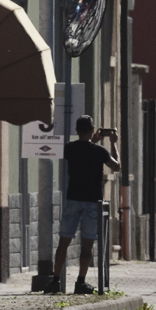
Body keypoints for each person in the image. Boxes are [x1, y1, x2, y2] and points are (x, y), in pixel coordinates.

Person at [43, 115, 121, 294]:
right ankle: (80, 282)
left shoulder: (69, 148)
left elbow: (83, 148)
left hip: (73, 199)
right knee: (87, 244)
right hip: (92, 202)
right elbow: (116, 167)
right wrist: (113, 143)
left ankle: (55, 280)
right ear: (93, 130)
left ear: (77, 131)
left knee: (64, 241)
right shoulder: (99, 151)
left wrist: (92, 140)